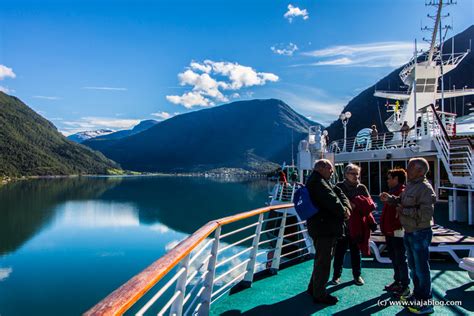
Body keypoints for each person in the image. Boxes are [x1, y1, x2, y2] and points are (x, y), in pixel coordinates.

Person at [380, 158, 436, 314]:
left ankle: (425, 301)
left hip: (420, 233)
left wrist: (402, 210)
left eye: (411, 168)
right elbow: (403, 201)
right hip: (410, 232)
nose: (407, 170)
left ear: (420, 171)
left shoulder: (425, 189)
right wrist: (391, 200)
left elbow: (426, 214)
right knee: (413, 267)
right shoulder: (411, 186)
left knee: (421, 268)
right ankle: (417, 295)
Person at [306, 159, 351, 305]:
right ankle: (319, 295)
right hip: (324, 228)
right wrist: (344, 211)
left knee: (321, 259)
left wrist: (345, 206)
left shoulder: (320, 181)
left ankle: (313, 287)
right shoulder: (318, 183)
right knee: (323, 262)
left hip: (321, 227)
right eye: (330, 169)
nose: (332, 172)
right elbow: (331, 200)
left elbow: (337, 192)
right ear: (322, 168)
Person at [330, 164, 374, 286]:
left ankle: (357, 275)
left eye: (357, 174)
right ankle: (336, 276)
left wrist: (356, 205)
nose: (355, 176)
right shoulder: (339, 187)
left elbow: (370, 204)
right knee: (339, 252)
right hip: (343, 225)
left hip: (358, 225)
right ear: (346, 174)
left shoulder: (362, 188)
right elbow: (334, 203)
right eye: (352, 173)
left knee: (356, 252)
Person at [380, 169, 410, 297]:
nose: (387, 180)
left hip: (397, 231)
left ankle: (404, 284)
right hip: (390, 231)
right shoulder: (394, 192)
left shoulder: (402, 192)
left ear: (396, 179)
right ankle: (398, 281)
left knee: (400, 258)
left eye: (390, 178)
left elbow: (401, 209)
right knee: (395, 257)